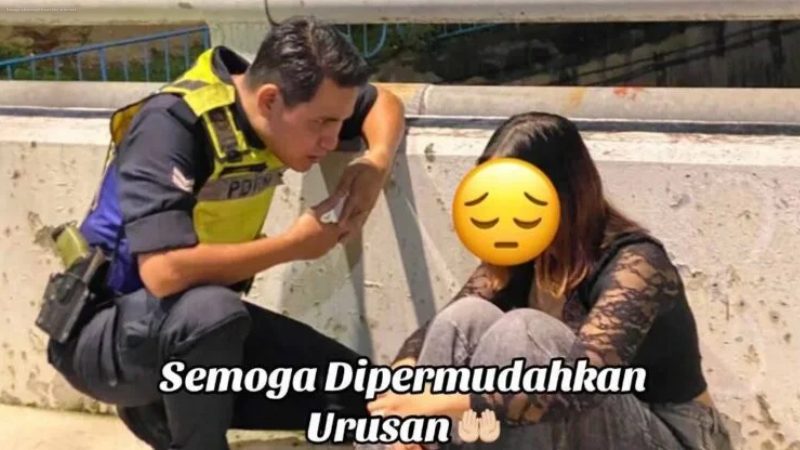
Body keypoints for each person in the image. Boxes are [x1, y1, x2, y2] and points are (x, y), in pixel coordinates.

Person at [44, 16, 405, 450]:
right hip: (108, 335)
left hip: (202, 333)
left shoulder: (293, 97)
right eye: (321, 124)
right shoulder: (173, 124)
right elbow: (163, 272)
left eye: (339, 123)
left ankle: (164, 415)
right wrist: (292, 246)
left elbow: (383, 101)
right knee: (213, 310)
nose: (332, 140)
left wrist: (376, 161)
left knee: (373, 397)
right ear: (269, 100)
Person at [368, 112, 734, 449]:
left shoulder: (637, 263)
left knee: (524, 332)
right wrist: (406, 384)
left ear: (560, 193)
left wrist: (443, 402)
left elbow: (582, 386)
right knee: (465, 317)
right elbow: (439, 332)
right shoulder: (518, 251)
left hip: (672, 435)